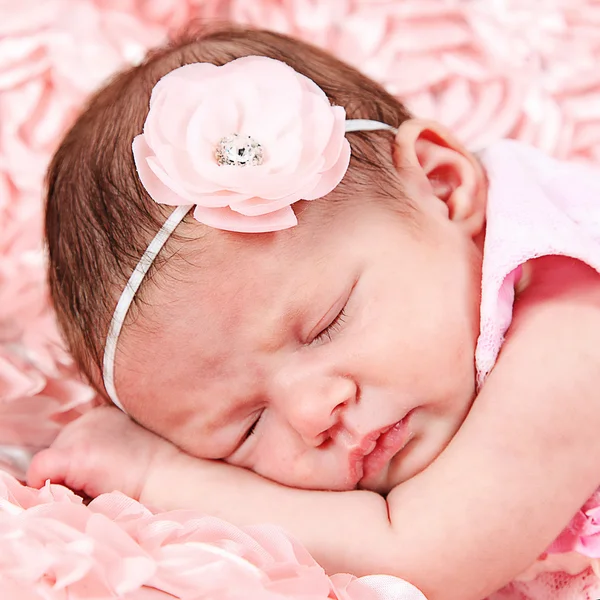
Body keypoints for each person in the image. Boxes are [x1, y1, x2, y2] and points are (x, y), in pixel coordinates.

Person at [27, 23, 600, 600]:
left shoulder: (575, 318)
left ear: (442, 187)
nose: (311, 413)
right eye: (245, 429)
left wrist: (154, 474)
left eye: (329, 324)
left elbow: (421, 555)